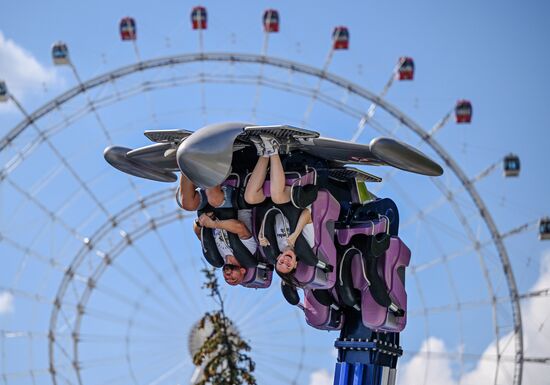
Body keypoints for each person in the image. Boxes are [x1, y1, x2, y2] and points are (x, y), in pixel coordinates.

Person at [244, 135, 315, 276]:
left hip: (277, 204)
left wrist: (261, 233)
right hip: (296, 201)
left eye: (280, 262)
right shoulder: (307, 245)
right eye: (288, 266)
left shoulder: (276, 245)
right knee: (277, 197)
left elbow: (269, 216)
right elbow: (307, 214)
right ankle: (274, 148)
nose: (285, 262)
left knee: (250, 198)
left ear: (278, 258)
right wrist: (295, 235)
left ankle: (263, 153)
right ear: (295, 264)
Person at [179, 174, 257, 286]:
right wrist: (214, 224)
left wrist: (200, 222)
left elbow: (197, 231)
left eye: (226, 279)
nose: (228, 277)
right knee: (214, 199)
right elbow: (240, 227)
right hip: (234, 201)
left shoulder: (217, 255)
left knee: (187, 204)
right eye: (234, 279)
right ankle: (210, 164)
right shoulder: (249, 251)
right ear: (242, 271)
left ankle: (185, 165)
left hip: (210, 208)